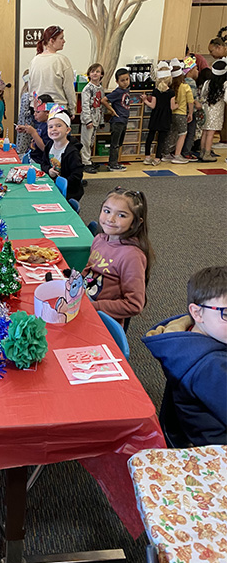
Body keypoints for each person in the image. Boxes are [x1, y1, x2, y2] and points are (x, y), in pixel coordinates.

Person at [141, 266, 227, 446]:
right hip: (215, 452)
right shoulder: (211, 367)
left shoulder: (187, 337)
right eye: (225, 314)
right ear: (197, 313)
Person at [82, 187, 153, 325]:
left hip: (101, 320)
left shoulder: (131, 256)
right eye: (107, 211)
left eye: (121, 215)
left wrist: (93, 307)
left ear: (135, 223)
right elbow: (89, 271)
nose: (110, 219)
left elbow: (134, 305)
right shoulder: (100, 239)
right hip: (83, 305)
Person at [28, 25, 77, 114]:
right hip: (57, 108)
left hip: (37, 109)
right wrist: (72, 109)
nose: (64, 41)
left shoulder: (34, 60)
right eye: (61, 38)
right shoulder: (62, 60)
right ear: (51, 41)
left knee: (39, 129)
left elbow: (30, 86)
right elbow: (69, 88)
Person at [40, 104, 83, 201]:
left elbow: (77, 175)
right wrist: (49, 171)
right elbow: (43, 164)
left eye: (58, 126)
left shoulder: (72, 152)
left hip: (68, 192)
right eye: (50, 127)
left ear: (67, 130)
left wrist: (61, 183)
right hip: (52, 187)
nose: (54, 129)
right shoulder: (49, 145)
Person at [141, 62, 176, 166]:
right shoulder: (171, 93)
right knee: (161, 140)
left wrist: (145, 100)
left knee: (150, 137)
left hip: (155, 117)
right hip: (165, 118)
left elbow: (152, 105)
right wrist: (179, 105)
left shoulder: (155, 91)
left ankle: (147, 157)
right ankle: (157, 158)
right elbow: (172, 107)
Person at [161, 60, 193, 164]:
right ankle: (177, 155)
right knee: (182, 134)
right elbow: (190, 101)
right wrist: (190, 113)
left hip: (171, 114)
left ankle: (166, 153)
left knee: (170, 133)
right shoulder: (185, 87)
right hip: (181, 114)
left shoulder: (169, 88)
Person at [101, 68, 131, 171]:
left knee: (119, 144)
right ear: (117, 82)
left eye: (127, 79)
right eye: (122, 80)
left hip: (124, 120)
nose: (125, 82)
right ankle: (112, 163)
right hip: (117, 121)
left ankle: (116, 162)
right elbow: (104, 100)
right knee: (115, 144)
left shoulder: (126, 90)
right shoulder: (117, 92)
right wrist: (112, 110)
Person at [199, 58, 227, 162]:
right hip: (217, 110)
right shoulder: (224, 84)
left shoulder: (207, 82)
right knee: (211, 133)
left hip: (206, 109)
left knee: (205, 131)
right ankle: (207, 153)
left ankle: (202, 152)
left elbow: (202, 95)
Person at [80, 63, 105, 174]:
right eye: (92, 71)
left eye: (98, 71)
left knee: (91, 141)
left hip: (96, 118)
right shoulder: (87, 89)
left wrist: (102, 121)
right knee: (85, 141)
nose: (95, 73)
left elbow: (101, 105)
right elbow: (85, 105)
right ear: (89, 74)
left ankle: (88, 159)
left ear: (101, 74)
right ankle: (85, 162)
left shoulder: (100, 88)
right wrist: (87, 120)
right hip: (88, 120)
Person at [15, 93, 54, 164]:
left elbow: (44, 148)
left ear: (47, 112)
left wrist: (33, 133)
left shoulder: (50, 127)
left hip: (39, 161)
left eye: (38, 112)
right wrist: (26, 129)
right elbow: (40, 134)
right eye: (34, 111)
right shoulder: (41, 123)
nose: (34, 114)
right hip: (32, 156)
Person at [181, 55, 204, 159]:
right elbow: (191, 97)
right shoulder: (191, 82)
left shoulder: (182, 82)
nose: (198, 71)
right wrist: (197, 103)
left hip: (182, 111)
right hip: (191, 111)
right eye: (196, 69)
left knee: (182, 132)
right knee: (190, 132)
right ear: (190, 71)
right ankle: (187, 151)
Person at [15, 69, 34, 155]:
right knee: (23, 147)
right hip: (26, 124)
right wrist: (34, 111)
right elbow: (26, 112)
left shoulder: (26, 93)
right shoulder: (27, 95)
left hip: (25, 124)